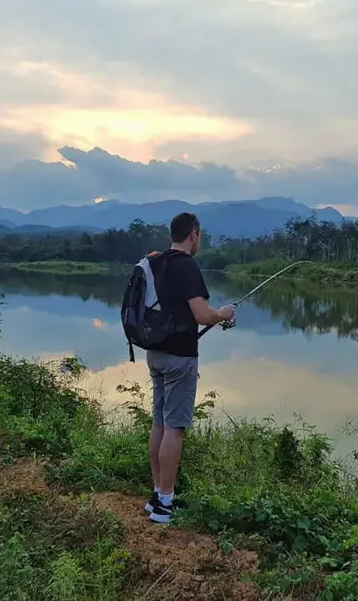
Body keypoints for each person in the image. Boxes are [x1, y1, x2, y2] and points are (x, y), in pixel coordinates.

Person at [144, 212, 235, 523]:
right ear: (193, 234)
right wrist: (223, 313)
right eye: (200, 236)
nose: (200, 241)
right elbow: (201, 314)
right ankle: (165, 504)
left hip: (154, 351)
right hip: (180, 356)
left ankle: (157, 493)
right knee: (175, 427)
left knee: (159, 423)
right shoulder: (186, 266)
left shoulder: (156, 262)